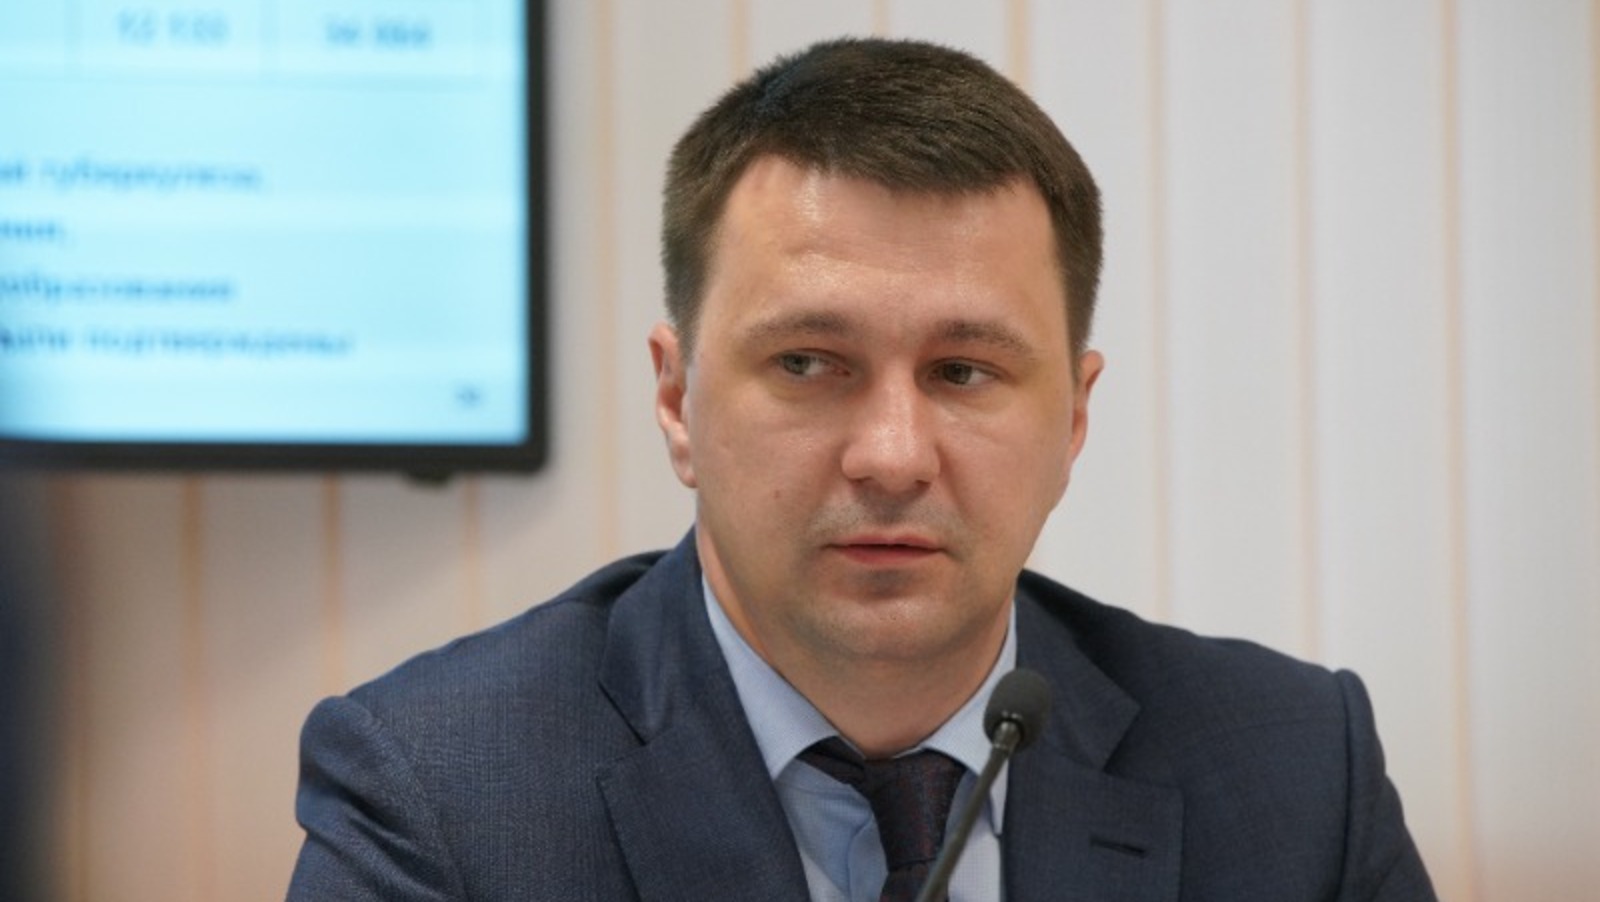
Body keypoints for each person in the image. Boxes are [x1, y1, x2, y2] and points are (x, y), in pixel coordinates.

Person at [289, 37, 1436, 900]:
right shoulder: (438, 789)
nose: (891, 455)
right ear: (677, 399)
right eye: (807, 362)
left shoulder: (1295, 769)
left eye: (964, 371)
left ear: (1074, 417)